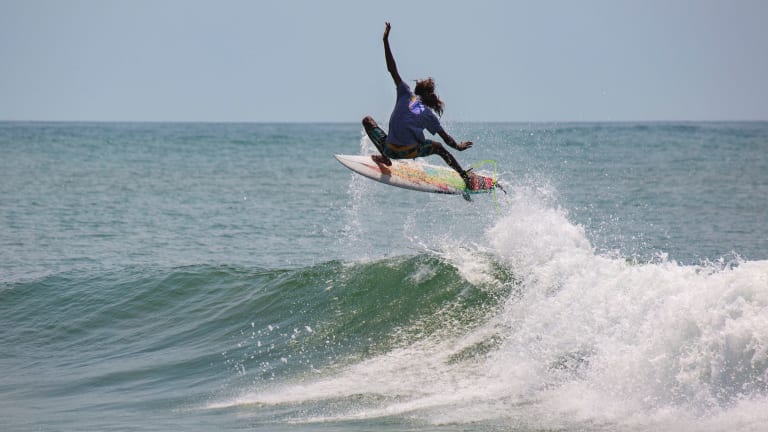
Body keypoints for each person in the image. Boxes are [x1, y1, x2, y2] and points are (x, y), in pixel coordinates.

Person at [362, 22, 476, 190]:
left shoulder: (405, 92)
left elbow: (392, 69)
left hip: (389, 148)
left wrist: (385, 41)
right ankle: (464, 177)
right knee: (439, 148)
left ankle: (385, 157)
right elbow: (446, 139)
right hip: (409, 151)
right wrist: (458, 147)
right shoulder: (427, 115)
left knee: (367, 121)